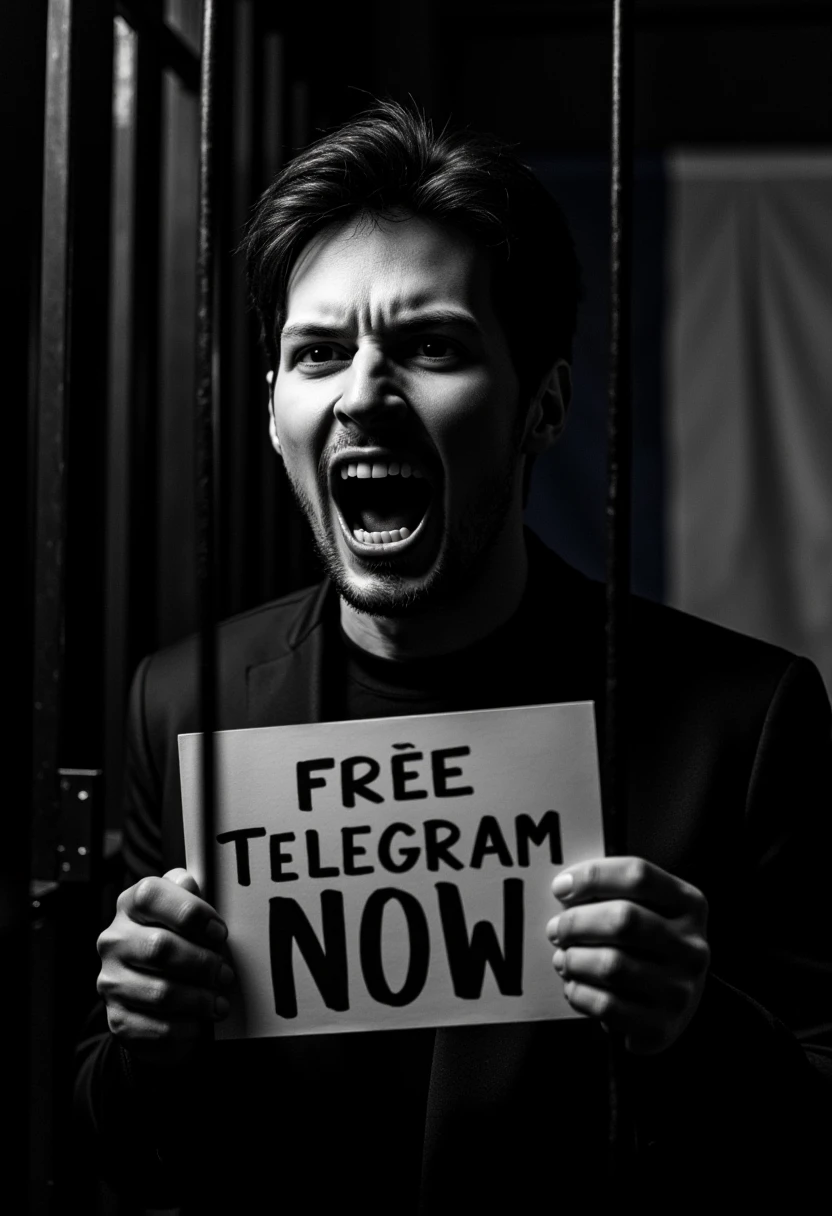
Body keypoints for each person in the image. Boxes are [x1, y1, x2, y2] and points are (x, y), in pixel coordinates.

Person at [76, 101, 831, 1213]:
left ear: (544, 405)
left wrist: (697, 1023)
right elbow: (117, 1153)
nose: (366, 393)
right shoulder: (181, 703)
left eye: (430, 346)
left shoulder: (743, 715)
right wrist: (150, 1045)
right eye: (319, 352)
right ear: (275, 404)